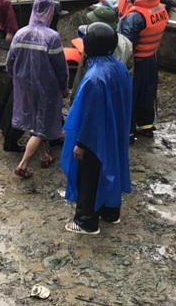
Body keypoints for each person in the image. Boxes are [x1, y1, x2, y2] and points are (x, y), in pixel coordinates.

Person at [61, 22, 132, 235]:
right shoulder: (119, 66)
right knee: (112, 166)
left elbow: (90, 115)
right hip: (115, 129)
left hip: (95, 135)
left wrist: (81, 144)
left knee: (89, 175)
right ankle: (110, 212)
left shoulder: (94, 77)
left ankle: (86, 221)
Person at [8, 0, 69, 179]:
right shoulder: (52, 37)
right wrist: (63, 87)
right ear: (49, 13)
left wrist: (16, 80)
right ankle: (23, 164)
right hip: (46, 87)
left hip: (24, 86)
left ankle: (44, 157)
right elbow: (60, 67)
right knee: (43, 125)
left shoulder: (20, 33)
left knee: (35, 121)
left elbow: (10, 63)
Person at [117, 0, 169, 142]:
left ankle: (128, 132)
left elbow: (124, 45)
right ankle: (146, 125)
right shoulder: (160, 9)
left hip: (136, 63)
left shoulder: (135, 17)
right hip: (151, 59)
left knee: (129, 96)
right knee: (147, 94)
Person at [70, 5, 133, 100]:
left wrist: (74, 98)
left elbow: (81, 73)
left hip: (94, 95)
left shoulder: (93, 45)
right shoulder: (127, 43)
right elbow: (130, 73)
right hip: (118, 94)